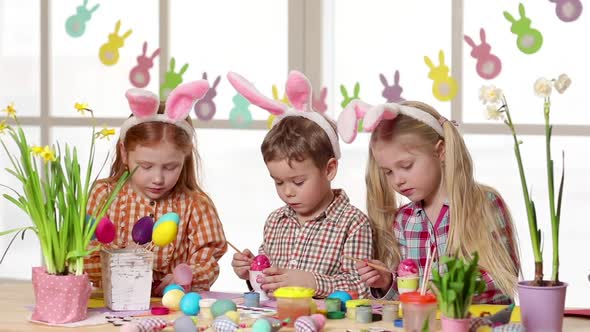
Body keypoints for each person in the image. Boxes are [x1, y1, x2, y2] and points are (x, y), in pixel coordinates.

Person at [337, 99, 520, 304]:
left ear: (440, 151)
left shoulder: (483, 204)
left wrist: (443, 291)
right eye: (388, 172)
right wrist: (388, 282)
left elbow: (501, 278)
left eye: (406, 166)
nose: (398, 180)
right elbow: (408, 296)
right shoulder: (404, 221)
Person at [228, 71, 373, 298]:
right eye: (278, 182)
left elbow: (361, 288)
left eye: (298, 181)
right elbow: (268, 284)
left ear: (329, 169)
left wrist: (311, 282)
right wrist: (253, 272)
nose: (287, 191)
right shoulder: (276, 222)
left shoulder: (353, 224)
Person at [84, 81, 227, 295]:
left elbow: (208, 263)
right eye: (146, 166)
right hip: (114, 302)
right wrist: (120, 264)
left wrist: (184, 276)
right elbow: (85, 257)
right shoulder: (103, 195)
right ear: (124, 153)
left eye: (170, 167)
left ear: (184, 157)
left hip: (171, 305)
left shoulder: (196, 205)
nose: (158, 178)